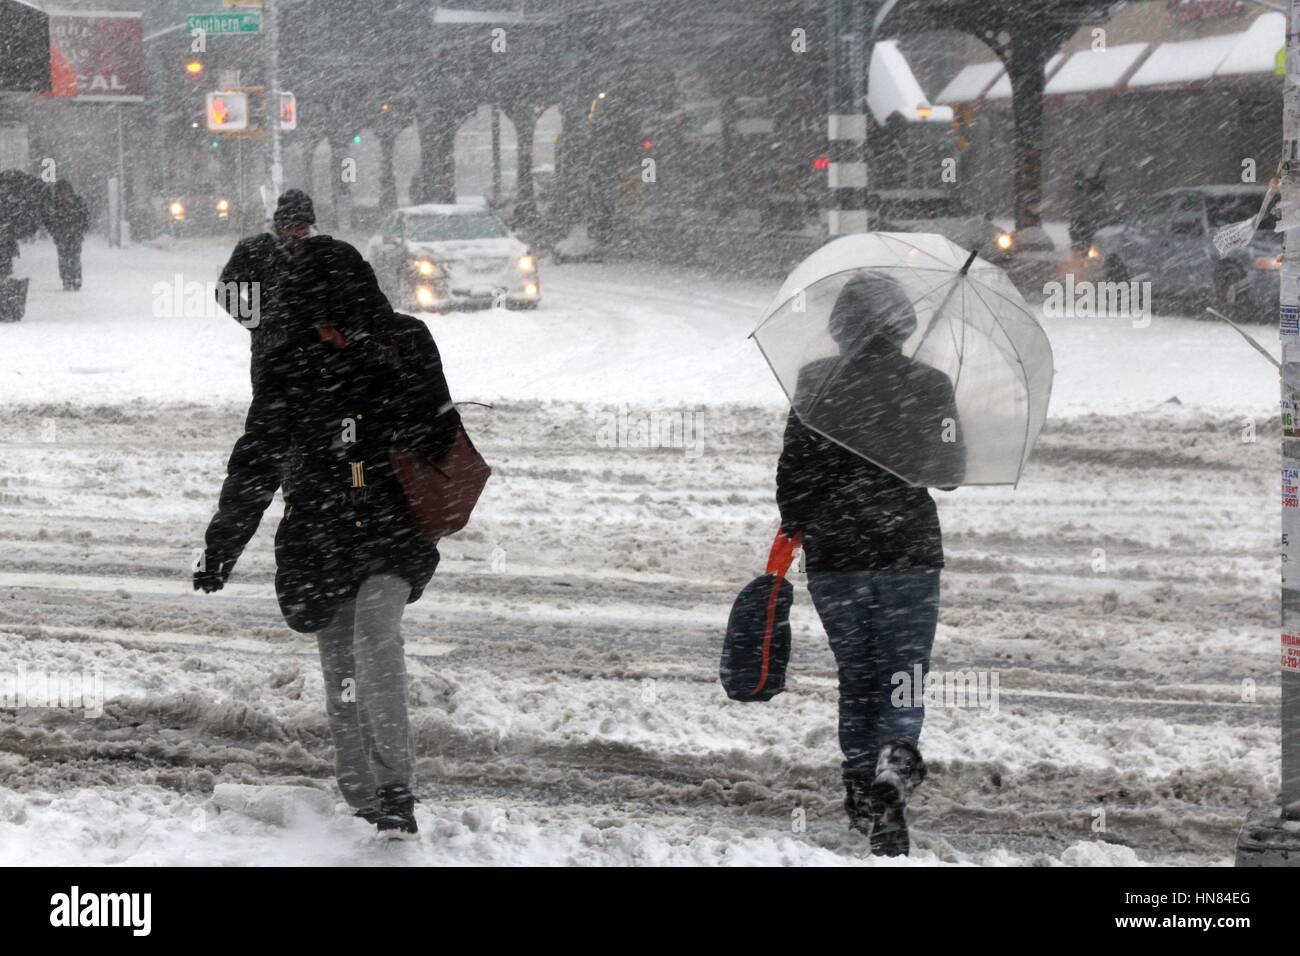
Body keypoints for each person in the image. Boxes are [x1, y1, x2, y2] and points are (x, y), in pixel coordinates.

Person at [194, 241, 462, 840]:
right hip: (319, 534)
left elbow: (441, 431)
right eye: (309, 317)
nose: (320, 329)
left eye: (329, 316)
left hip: (391, 527)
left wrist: (376, 377)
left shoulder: (404, 342)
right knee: (341, 664)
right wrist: (221, 547)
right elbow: (257, 459)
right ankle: (363, 797)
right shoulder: (287, 358)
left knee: (376, 632)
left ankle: (397, 792)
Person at [775, 272, 964, 857]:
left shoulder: (815, 382)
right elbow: (951, 470)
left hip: (837, 559)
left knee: (856, 678)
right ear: (904, 322)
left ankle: (861, 793)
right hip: (908, 552)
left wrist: (811, 516)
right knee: (903, 671)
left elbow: (792, 480)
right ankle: (895, 764)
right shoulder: (929, 385)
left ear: (842, 323)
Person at [42, 180, 89, 291]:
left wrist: (81, 229)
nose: (65, 194)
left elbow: (85, 217)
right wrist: (54, 232)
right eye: (62, 191)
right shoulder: (56, 205)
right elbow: (48, 220)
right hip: (61, 236)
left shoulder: (77, 202)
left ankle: (76, 278)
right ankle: (66, 279)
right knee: (64, 258)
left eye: (66, 191)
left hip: (74, 235)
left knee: (74, 257)